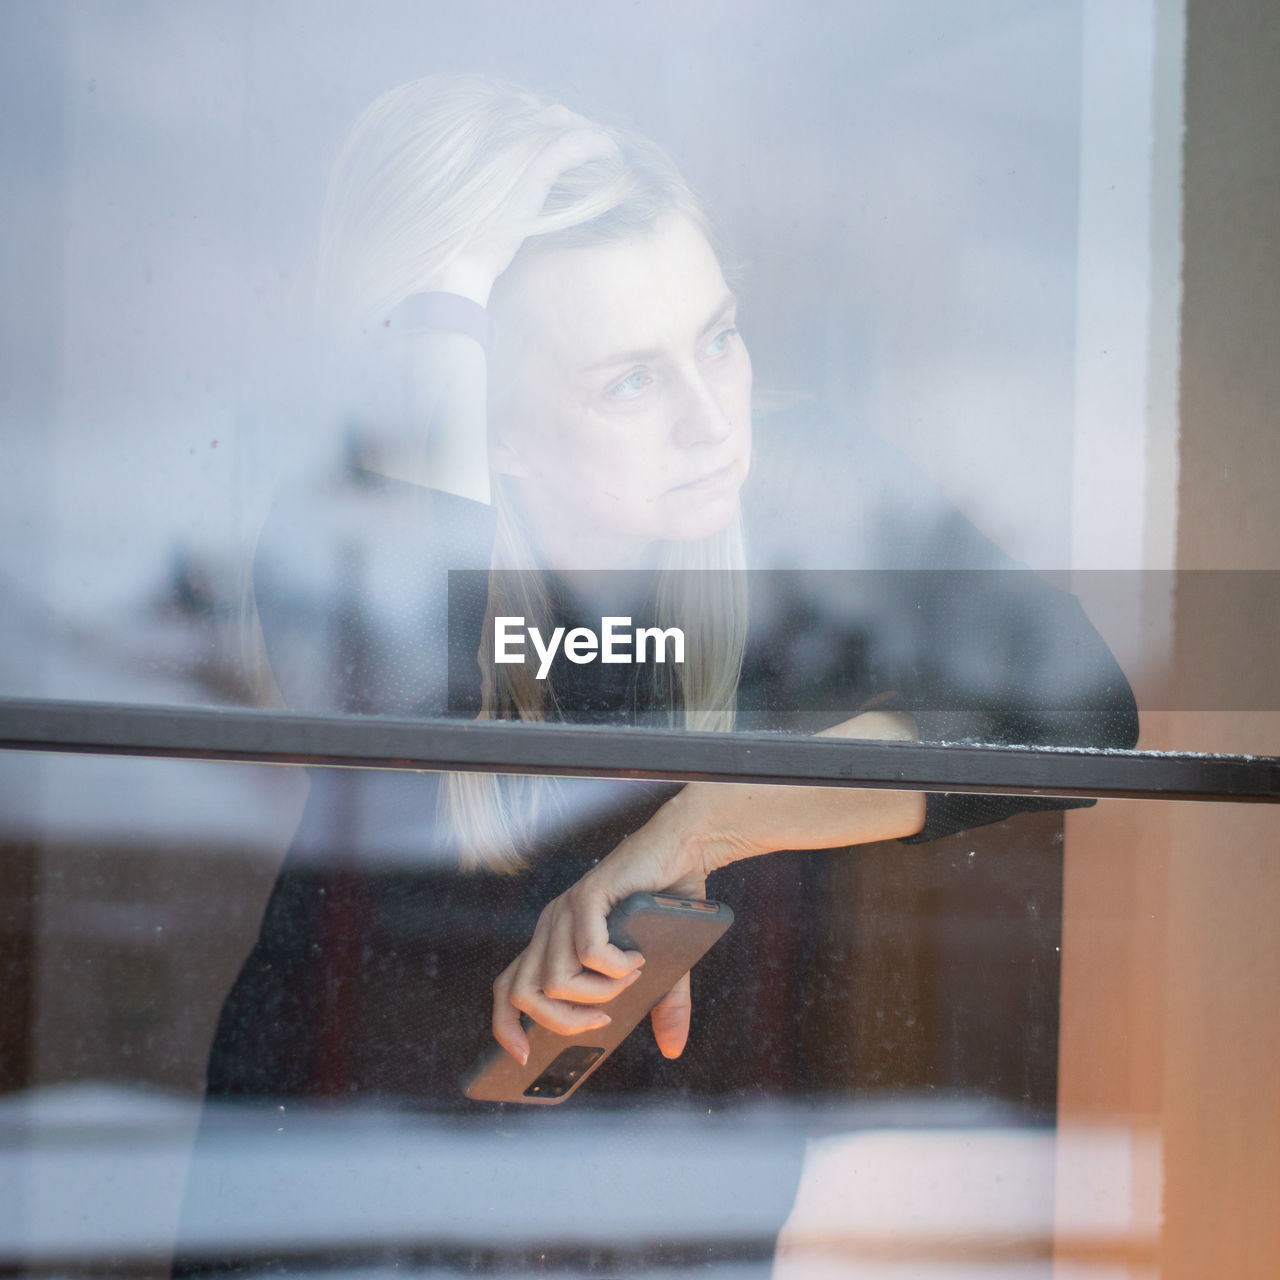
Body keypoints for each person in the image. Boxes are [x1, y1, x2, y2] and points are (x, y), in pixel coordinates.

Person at [177, 74, 1138, 1275]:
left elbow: (1081, 700)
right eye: (628, 380)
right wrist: (449, 298)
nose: (710, 422)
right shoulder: (383, 533)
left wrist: (705, 822)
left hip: (668, 1225)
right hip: (347, 1216)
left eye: (717, 338)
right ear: (489, 421)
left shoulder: (799, 498)